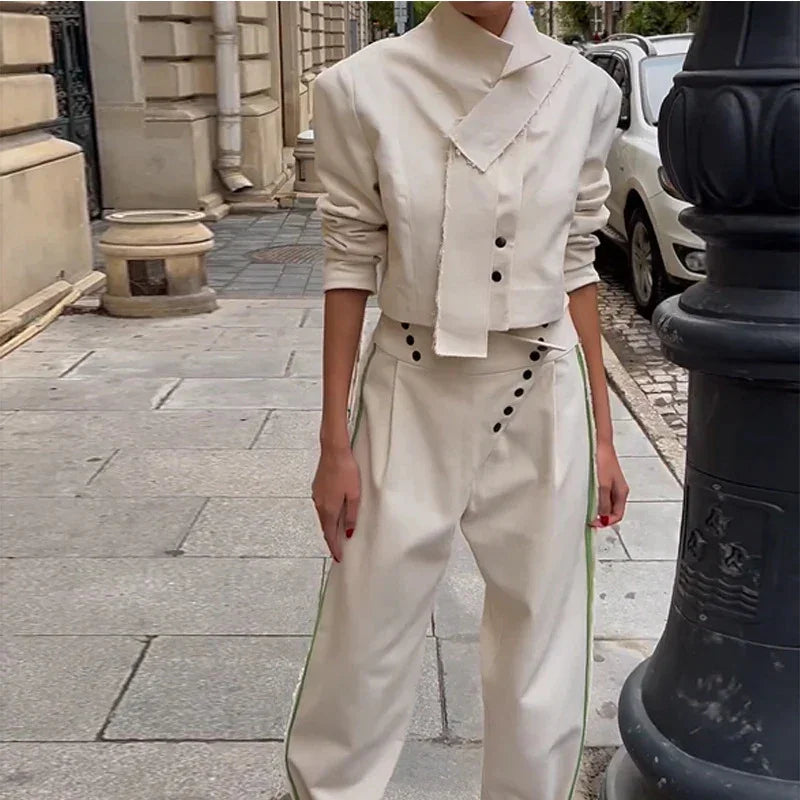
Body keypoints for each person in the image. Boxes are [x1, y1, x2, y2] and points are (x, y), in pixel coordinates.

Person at [284, 2, 629, 799]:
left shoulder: (584, 91)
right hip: (410, 384)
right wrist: (334, 445)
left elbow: (579, 267)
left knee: (544, 641)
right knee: (364, 632)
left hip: (544, 391)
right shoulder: (359, 86)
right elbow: (348, 263)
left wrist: (604, 439)